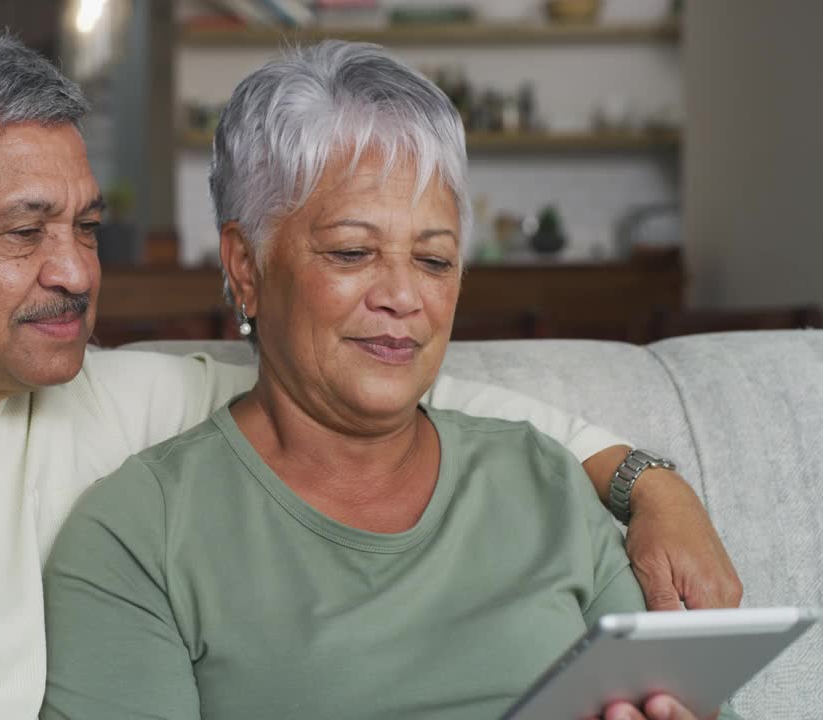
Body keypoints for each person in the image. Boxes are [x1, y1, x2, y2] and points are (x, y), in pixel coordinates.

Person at [0, 25, 735, 719]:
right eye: (25, 232)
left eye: (87, 227)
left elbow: (378, 381)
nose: (75, 274)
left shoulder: (96, 393)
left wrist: (642, 475)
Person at [40, 42, 737, 720]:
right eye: (352, 252)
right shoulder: (138, 537)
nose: (404, 296)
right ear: (246, 269)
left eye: (434, 261)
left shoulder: (545, 479)